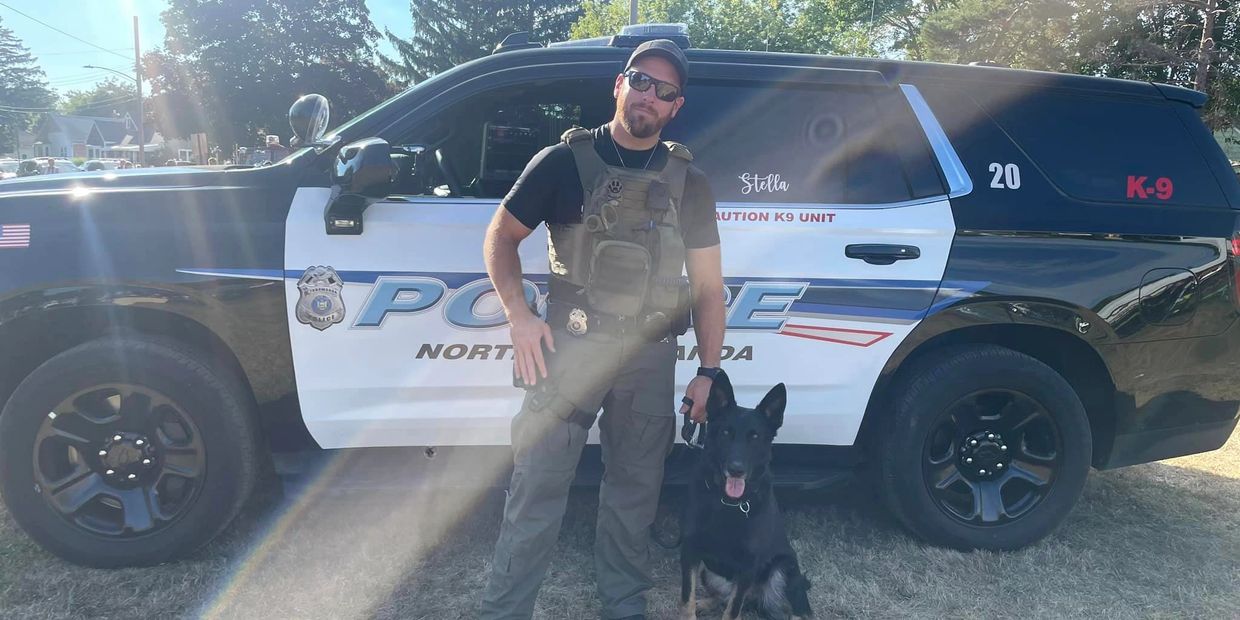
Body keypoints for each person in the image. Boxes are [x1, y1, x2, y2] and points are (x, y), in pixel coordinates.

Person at [480, 40, 726, 620]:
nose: (650, 96)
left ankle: (624, 605)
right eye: (641, 81)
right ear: (619, 84)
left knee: (634, 494)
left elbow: (710, 287)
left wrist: (708, 371)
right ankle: (504, 610)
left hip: (650, 354)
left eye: (665, 91)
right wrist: (519, 316)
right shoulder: (562, 161)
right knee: (536, 486)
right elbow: (500, 238)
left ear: (676, 106)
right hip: (567, 349)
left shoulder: (691, 183)